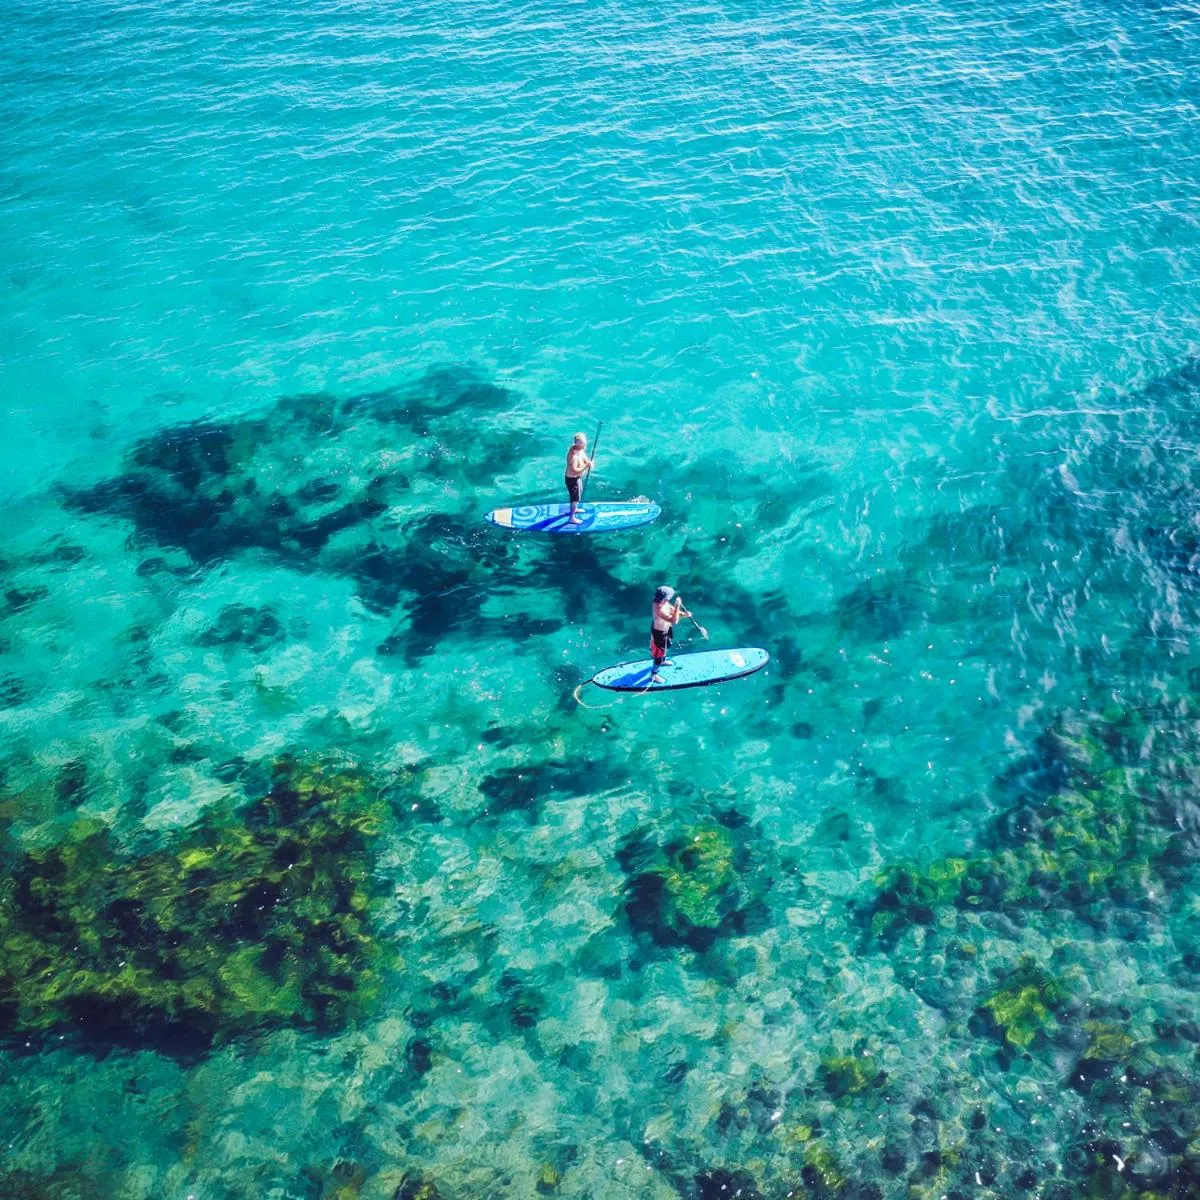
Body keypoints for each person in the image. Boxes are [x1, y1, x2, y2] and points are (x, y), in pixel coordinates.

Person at [650, 585, 691, 678]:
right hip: (659, 634)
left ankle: (663, 661)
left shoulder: (664, 602)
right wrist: (677, 605)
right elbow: (674, 620)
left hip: (666, 630)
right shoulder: (658, 608)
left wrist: (684, 614)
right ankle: (653, 674)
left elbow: (672, 610)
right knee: (658, 656)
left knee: (667, 645)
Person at [564, 432, 593, 524]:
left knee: (578, 494)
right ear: (576, 443)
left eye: (584, 442)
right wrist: (586, 466)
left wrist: (588, 462)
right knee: (575, 499)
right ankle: (571, 518)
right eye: (581, 443)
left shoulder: (580, 449)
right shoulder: (573, 455)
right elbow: (574, 470)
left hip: (578, 478)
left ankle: (575, 509)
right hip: (572, 479)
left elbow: (584, 458)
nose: (584, 444)